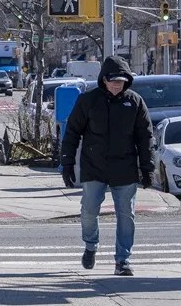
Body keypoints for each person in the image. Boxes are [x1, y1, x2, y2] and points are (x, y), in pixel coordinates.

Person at [59, 55, 154, 277]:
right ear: (104, 79)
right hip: (94, 166)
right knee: (89, 211)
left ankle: (123, 260)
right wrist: (67, 163)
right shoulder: (88, 101)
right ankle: (91, 246)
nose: (116, 84)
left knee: (126, 215)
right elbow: (72, 132)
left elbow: (145, 137)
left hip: (125, 167)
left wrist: (147, 168)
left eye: (120, 80)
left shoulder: (135, 102)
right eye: (112, 80)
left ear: (126, 81)